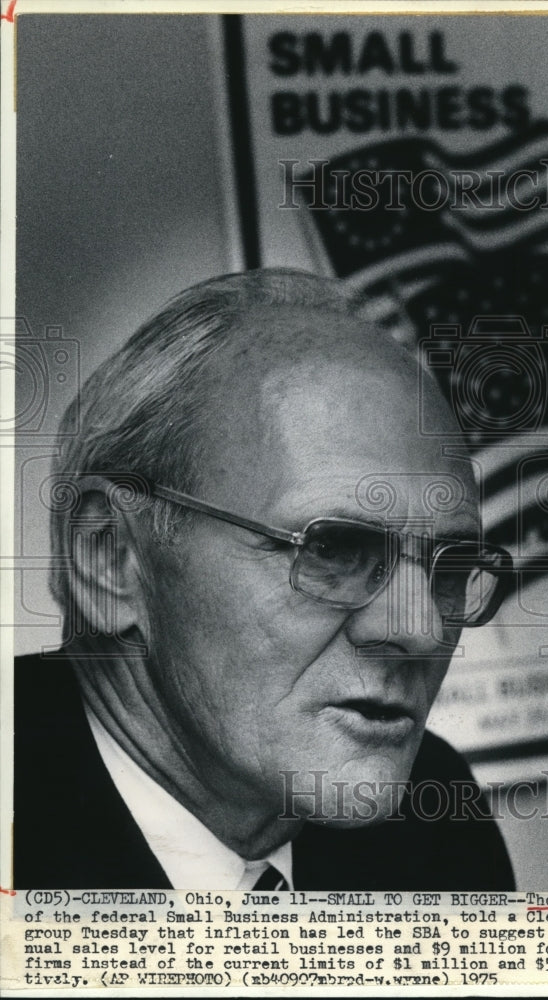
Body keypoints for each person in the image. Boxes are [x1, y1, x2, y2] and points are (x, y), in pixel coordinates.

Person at [14, 269, 514, 890]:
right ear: (112, 558)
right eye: (334, 548)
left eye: (452, 566)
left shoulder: (433, 819)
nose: (420, 628)